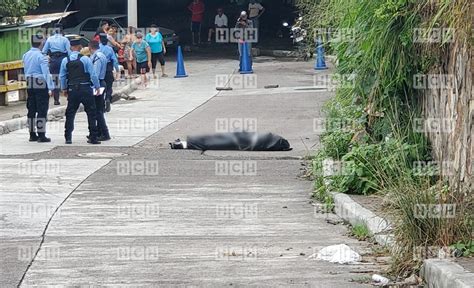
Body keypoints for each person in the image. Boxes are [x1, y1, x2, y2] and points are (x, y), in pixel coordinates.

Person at [59, 37, 101, 145]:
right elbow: (93, 75)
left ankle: (68, 137)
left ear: (70, 47)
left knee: (70, 113)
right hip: (86, 88)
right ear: (80, 47)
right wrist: (97, 86)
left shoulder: (65, 60)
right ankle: (93, 137)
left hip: (73, 89)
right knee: (91, 112)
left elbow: (62, 77)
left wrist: (64, 89)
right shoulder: (85, 59)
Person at [23, 35, 55, 143]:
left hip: (30, 82)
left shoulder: (25, 55)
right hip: (40, 82)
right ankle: (42, 135)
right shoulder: (41, 57)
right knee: (42, 109)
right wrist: (50, 88)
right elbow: (46, 73)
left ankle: (32, 134)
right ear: (41, 43)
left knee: (31, 109)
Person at [42, 23, 70, 106]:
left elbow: (44, 52)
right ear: (62, 30)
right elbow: (69, 52)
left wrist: (48, 58)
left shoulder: (50, 39)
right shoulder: (65, 40)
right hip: (63, 59)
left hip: (53, 60)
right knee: (67, 77)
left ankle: (56, 100)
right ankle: (68, 96)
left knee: (55, 79)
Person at [89, 40, 111, 141]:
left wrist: (94, 86)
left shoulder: (96, 57)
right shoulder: (102, 55)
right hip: (102, 82)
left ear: (90, 47)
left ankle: (104, 133)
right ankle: (98, 132)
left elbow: (95, 74)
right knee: (99, 109)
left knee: (98, 110)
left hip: (98, 84)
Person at [99, 33, 119, 112]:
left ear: (100, 40)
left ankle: (102, 104)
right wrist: (117, 70)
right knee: (109, 86)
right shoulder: (110, 49)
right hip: (108, 69)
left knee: (101, 87)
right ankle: (107, 98)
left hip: (100, 69)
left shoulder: (98, 48)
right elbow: (114, 60)